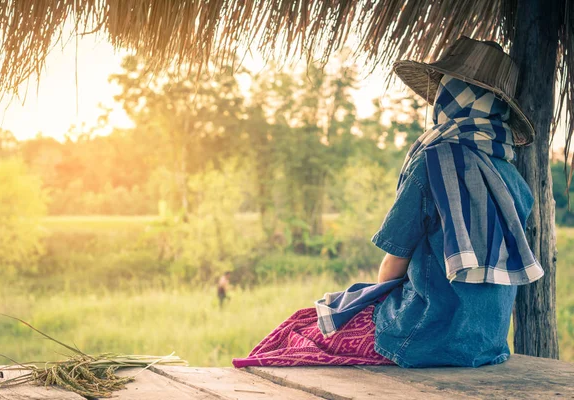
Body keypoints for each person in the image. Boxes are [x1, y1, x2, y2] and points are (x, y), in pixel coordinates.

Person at [232, 36, 543, 368]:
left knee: (300, 328)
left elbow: (394, 263)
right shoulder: (514, 179)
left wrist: (372, 308)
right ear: (497, 110)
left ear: (447, 98)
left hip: (424, 333)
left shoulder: (433, 162)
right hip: (487, 344)